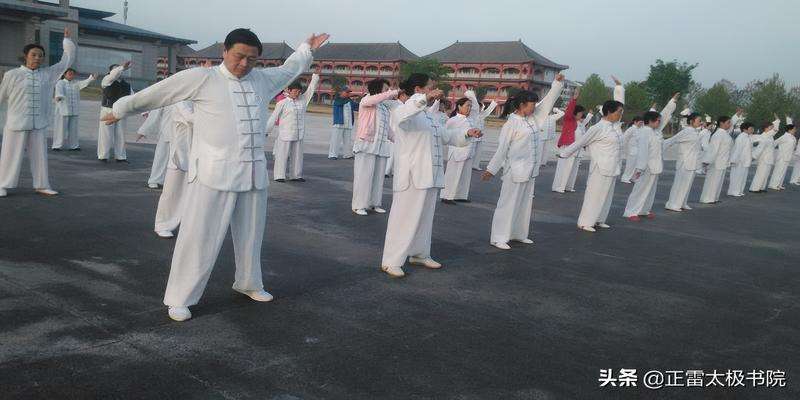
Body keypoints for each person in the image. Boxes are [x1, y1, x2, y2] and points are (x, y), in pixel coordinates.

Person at [101, 28, 328, 321]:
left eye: (252, 59)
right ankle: (180, 296)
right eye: (239, 56)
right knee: (199, 236)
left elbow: (289, 69)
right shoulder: (202, 78)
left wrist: (306, 49)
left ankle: (249, 282)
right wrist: (120, 109)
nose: (245, 64)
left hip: (253, 172)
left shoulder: (262, 79)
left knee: (251, 236)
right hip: (213, 172)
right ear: (225, 51)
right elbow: (159, 93)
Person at [379, 73, 482, 278]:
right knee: (404, 218)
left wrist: (466, 134)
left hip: (431, 174)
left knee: (425, 218)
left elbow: (447, 136)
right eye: (430, 88)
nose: (435, 92)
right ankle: (391, 260)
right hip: (412, 175)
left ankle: (419, 253)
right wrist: (423, 98)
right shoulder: (402, 110)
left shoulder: (429, 115)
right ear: (418, 90)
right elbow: (404, 115)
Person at [481, 75, 565, 249]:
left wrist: (557, 84)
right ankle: (499, 237)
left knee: (524, 204)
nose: (535, 108)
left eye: (535, 105)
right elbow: (502, 149)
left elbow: (548, 102)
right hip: (514, 170)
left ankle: (518, 234)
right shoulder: (511, 124)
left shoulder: (533, 119)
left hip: (529, 170)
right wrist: (491, 169)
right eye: (531, 105)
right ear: (521, 105)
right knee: (507, 204)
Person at [0, 27, 75, 198]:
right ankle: (2, 184)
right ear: (26, 56)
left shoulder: (48, 74)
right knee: (10, 155)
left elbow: (66, 61)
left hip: (39, 122)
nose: (37, 58)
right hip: (16, 122)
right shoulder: (12, 75)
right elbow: (1, 96)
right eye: (34, 54)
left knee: (40, 156)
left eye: (40, 55)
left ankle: (42, 185)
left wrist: (67, 42)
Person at [558, 77, 625, 232]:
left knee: (607, 195)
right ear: (609, 112)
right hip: (600, 166)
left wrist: (620, 89)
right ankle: (585, 221)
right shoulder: (598, 128)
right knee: (594, 194)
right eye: (618, 112)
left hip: (613, 166)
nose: (621, 115)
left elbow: (621, 104)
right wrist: (564, 154)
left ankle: (599, 219)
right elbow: (580, 142)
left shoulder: (616, 127)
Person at [622, 94, 678, 220]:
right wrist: (639, 169)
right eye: (658, 120)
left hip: (655, 166)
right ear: (651, 121)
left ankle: (644, 210)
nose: (660, 122)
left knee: (650, 191)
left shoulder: (655, 132)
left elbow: (665, 115)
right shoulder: (644, 132)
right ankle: (631, 212)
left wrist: (672, 102)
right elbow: (643, 152)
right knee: (639, 190)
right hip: (645, 167)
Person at [351, 78, 398, 215]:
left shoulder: (383, 107)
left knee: (378, 177)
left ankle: (374, 203)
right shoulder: (366, 100)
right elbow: (376, 99)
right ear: (377, 90)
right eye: (385, 89)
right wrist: (393, 92)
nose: (388, 91)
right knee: (363, 176)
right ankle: (359, 205)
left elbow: (387, 128)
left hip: (381, 146)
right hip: (367, 144)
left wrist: (398, 140)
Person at [266, 73, 319, 182]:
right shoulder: (282, 103)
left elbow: (311, 90)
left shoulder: (303, 100)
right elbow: (273, 117)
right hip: (285, 133)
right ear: (289, 91)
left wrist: (315, 77)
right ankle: (279, 175)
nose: (297, 93)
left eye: (299, 91)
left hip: (299, 132)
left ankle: (296, 175)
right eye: (295, 91)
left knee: (297, 156)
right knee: (282, 155)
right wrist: (267, 131)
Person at [153, 101, 194, 238]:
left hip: (200, 152)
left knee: (196, 194)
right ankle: (163, 224)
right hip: (180, 154)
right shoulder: (181, 100)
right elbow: (190, 117)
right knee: (172, 191)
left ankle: (189, 225)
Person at [440, 97, 478, 204]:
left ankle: (460, 195)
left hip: (469, 150)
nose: (469, 108)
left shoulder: (470, 120)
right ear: (459, 106)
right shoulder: (453, 120)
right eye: (467, 106)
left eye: (471, 106)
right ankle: (446, 196)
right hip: (457, 151)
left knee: (465, 175)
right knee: (452, 174)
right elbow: (446, 135)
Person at [98, 61, 134, 162]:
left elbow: (133, 98)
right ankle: (103, 156)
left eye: (119, 69)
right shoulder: (106, 80)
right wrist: (122, 67)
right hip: (108, 110)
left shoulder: (126, 85)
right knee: (106, 134)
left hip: (122, 112)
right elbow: (113, 75)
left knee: (121, 134)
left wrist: (144, 111)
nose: (118, 71)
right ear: (110, 72)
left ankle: (121, 156)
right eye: (115, 69)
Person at [552, 87, 586, 193]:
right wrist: (574, 99)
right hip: (567, 147)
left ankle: (568, 186)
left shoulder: (579, 124)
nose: (581, 115)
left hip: (575, 149)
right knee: (563, 168)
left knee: (571, 169)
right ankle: (558, 187)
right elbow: (569, 111)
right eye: (580, 113)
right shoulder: (569, 120)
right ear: (575, 113)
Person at [52, 68, 94, 151]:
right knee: (60, 129)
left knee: (73, 129)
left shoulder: (75, 83)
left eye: (73, 74)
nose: (72, 75)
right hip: (63, 110)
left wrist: (91, 78)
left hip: (74, 110)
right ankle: (57, 145)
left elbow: (84, 83)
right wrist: (59, 96)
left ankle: (74, 146)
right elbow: (59, 92)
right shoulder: (60, 83)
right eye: (69, 74)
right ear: (64, 74)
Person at [699, 116, 734, 204]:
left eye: (730, 123)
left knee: (718, 181)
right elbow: (713, 149)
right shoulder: (718, 134)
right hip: (716, 162)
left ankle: (714, 198)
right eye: (728, 122)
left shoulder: (724, 133)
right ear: (721, 123)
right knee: (713, 181)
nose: (730, 125)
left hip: (722, 161)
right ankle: (708, 198)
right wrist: (707, 161)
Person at [137, 106, 173, 189]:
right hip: (166, 132)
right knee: (161, 157)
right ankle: (155, 180)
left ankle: (176, 182)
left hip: (184, 134)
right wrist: (143, 131)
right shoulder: (166, 97)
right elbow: (154, 115)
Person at [464, 89, 497, 171]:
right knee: (471, 151)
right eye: (479, 107)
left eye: (481, 107)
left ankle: (475, 165)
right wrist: (471, 96)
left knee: (478, 152)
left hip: (480, 136)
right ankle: (468, 164)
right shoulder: (472, 114)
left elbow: (488, 111)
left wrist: (494, 103)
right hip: (473, 135)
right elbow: (474, 103)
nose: (480, 108)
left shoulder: (481, 115)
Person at [749, 118, 780, 193]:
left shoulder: (770, 136)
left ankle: (762, 187)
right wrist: (754, 157)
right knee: (761, 173)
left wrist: (777, 121)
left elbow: (776, 129)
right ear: (766, 128)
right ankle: (754, 188)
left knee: (766, 174)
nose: (773, 129)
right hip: (764, 158)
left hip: (769, 158)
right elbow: (760, 148)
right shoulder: (764, 136)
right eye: (771, 127)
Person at [726, 122, 756, 197]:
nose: (752, 130)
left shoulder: (748, 137)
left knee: (743, 177)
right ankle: (734, 191)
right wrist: (733, 160)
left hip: (745, 160)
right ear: (745, 129)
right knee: (737, 176)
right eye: (751, 128)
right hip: (739, 160)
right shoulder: (741, 137)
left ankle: (739, 190)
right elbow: (737, 150)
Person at [329, 87, 358, 159]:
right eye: (347, 92)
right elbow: (340, 103)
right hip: (339, 123)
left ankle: (347, 154)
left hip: (348, 123)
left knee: (348, 141)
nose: (348, 94)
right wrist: (350, 98)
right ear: (341, 92)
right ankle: (332, 155)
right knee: (335, 140)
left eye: (349, 92)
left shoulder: (349, 101)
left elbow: (357, 107)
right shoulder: (337, 99)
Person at [768, 124, 797, 190]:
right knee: (778, 171)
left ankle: (779, 184)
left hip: (788, 157)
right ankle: (773, 185)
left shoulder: (792, 137)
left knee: (783, 172)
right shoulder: (785, 136)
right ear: (789, 130)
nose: (795, 130)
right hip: (782, 157)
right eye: (794, 129)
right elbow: (775, 143)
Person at [620, 117, 644, 183]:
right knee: (630, 166)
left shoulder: (640, 129)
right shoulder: (631, 129)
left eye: (642, 122)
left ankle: (633, 178)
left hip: (638, 151)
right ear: (635, 122)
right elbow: (624, 138)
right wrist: (625, 149)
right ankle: (625, 178)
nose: (641, 124)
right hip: (632, 151)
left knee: (637, 166)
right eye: (640, 122)